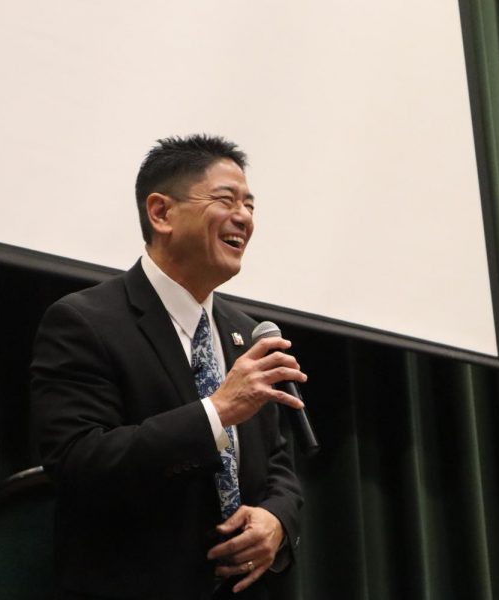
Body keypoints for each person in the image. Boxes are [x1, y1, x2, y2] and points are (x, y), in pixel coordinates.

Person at [31, 135, 304, 599]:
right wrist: (215, 413)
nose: (243, 217)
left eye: (250, 205)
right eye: (225, 199)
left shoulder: (244, 332)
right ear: (160, 213)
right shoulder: (85, 322)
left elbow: (277, 462)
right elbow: (80, 463)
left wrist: (277, 519)